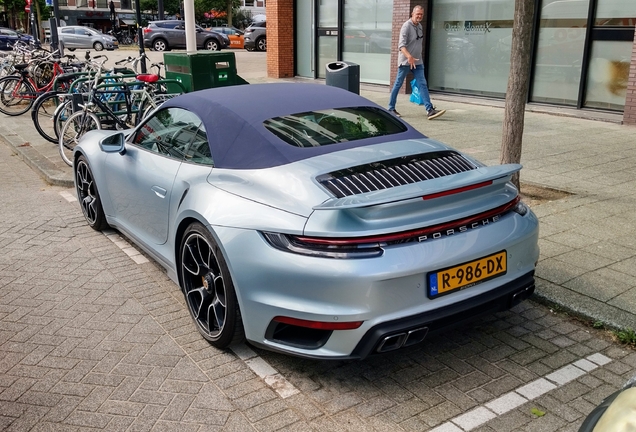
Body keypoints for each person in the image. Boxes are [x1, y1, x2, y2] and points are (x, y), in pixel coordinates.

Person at [388, 5, 445, 120]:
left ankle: (430, 110)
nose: (419, 16)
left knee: (422, 83)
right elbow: (401, 46)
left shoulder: (419, 26)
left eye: (421, 14)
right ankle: (391, 108)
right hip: (406, 61)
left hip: (417, 62)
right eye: (417, 14)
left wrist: (416, 57)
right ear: (412, 14)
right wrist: (409, 57)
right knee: (398, 84)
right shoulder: (406, 26)